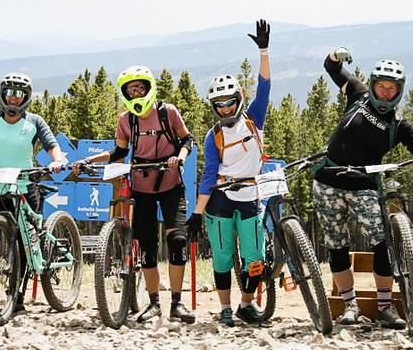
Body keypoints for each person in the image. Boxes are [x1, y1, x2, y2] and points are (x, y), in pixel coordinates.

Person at [314, 47, 413, 330]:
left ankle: (385, 308)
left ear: (399, 91)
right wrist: (336, 55)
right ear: (372, 85)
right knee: (337, 246)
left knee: (382, 244)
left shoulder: (399, 125)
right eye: (381, 87)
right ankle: (350, 306)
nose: (385, 93)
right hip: (328, 181)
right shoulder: (358, 93)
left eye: (391, 89)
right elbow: (332, 69)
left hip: (365, 186)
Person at [72, 65, 196, 324]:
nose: (136, 93)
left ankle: (177, 303)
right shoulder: (125, 119)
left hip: (171, 184)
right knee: (147, 247)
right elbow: (118, 152)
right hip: (142, 187)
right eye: (130, 90)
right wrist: (89, 160)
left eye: (140, 88)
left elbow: (187, 140)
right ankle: (154, 304)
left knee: (177, 241)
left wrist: (180, 157)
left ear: (149, 88)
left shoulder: (168, 112)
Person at [0, 72, 68, 319]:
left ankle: (17, 295)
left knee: (24, 243)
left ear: (26, 97)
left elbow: (52, 146)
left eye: (19, 93)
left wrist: (57, 160)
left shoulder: (35, 121)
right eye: (9, 92)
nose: (13, 97)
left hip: (24, 188)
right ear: (2, 94)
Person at [190, 20, 272, 326]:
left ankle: (245, 305)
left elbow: (264, 86)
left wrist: (263, 51)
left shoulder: (254, 119)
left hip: (250, 197)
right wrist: (197, 214)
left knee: (255, 258)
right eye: (219, 105)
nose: (225, 108)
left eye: (230, 103)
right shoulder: (213, 136)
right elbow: (208, 176)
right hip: (220, 202)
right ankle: (225, 308)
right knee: (223, 258)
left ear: (239, 99)